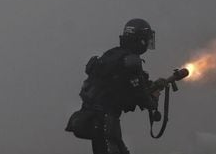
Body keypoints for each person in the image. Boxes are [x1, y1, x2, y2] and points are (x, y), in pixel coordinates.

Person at [66, 18, 160, 154]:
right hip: (106, 123)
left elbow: (120, 87)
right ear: (140, 39)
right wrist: (154, 97)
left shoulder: (113, 55)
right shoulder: (131, 62)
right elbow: (142, 98)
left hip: (95, 121)